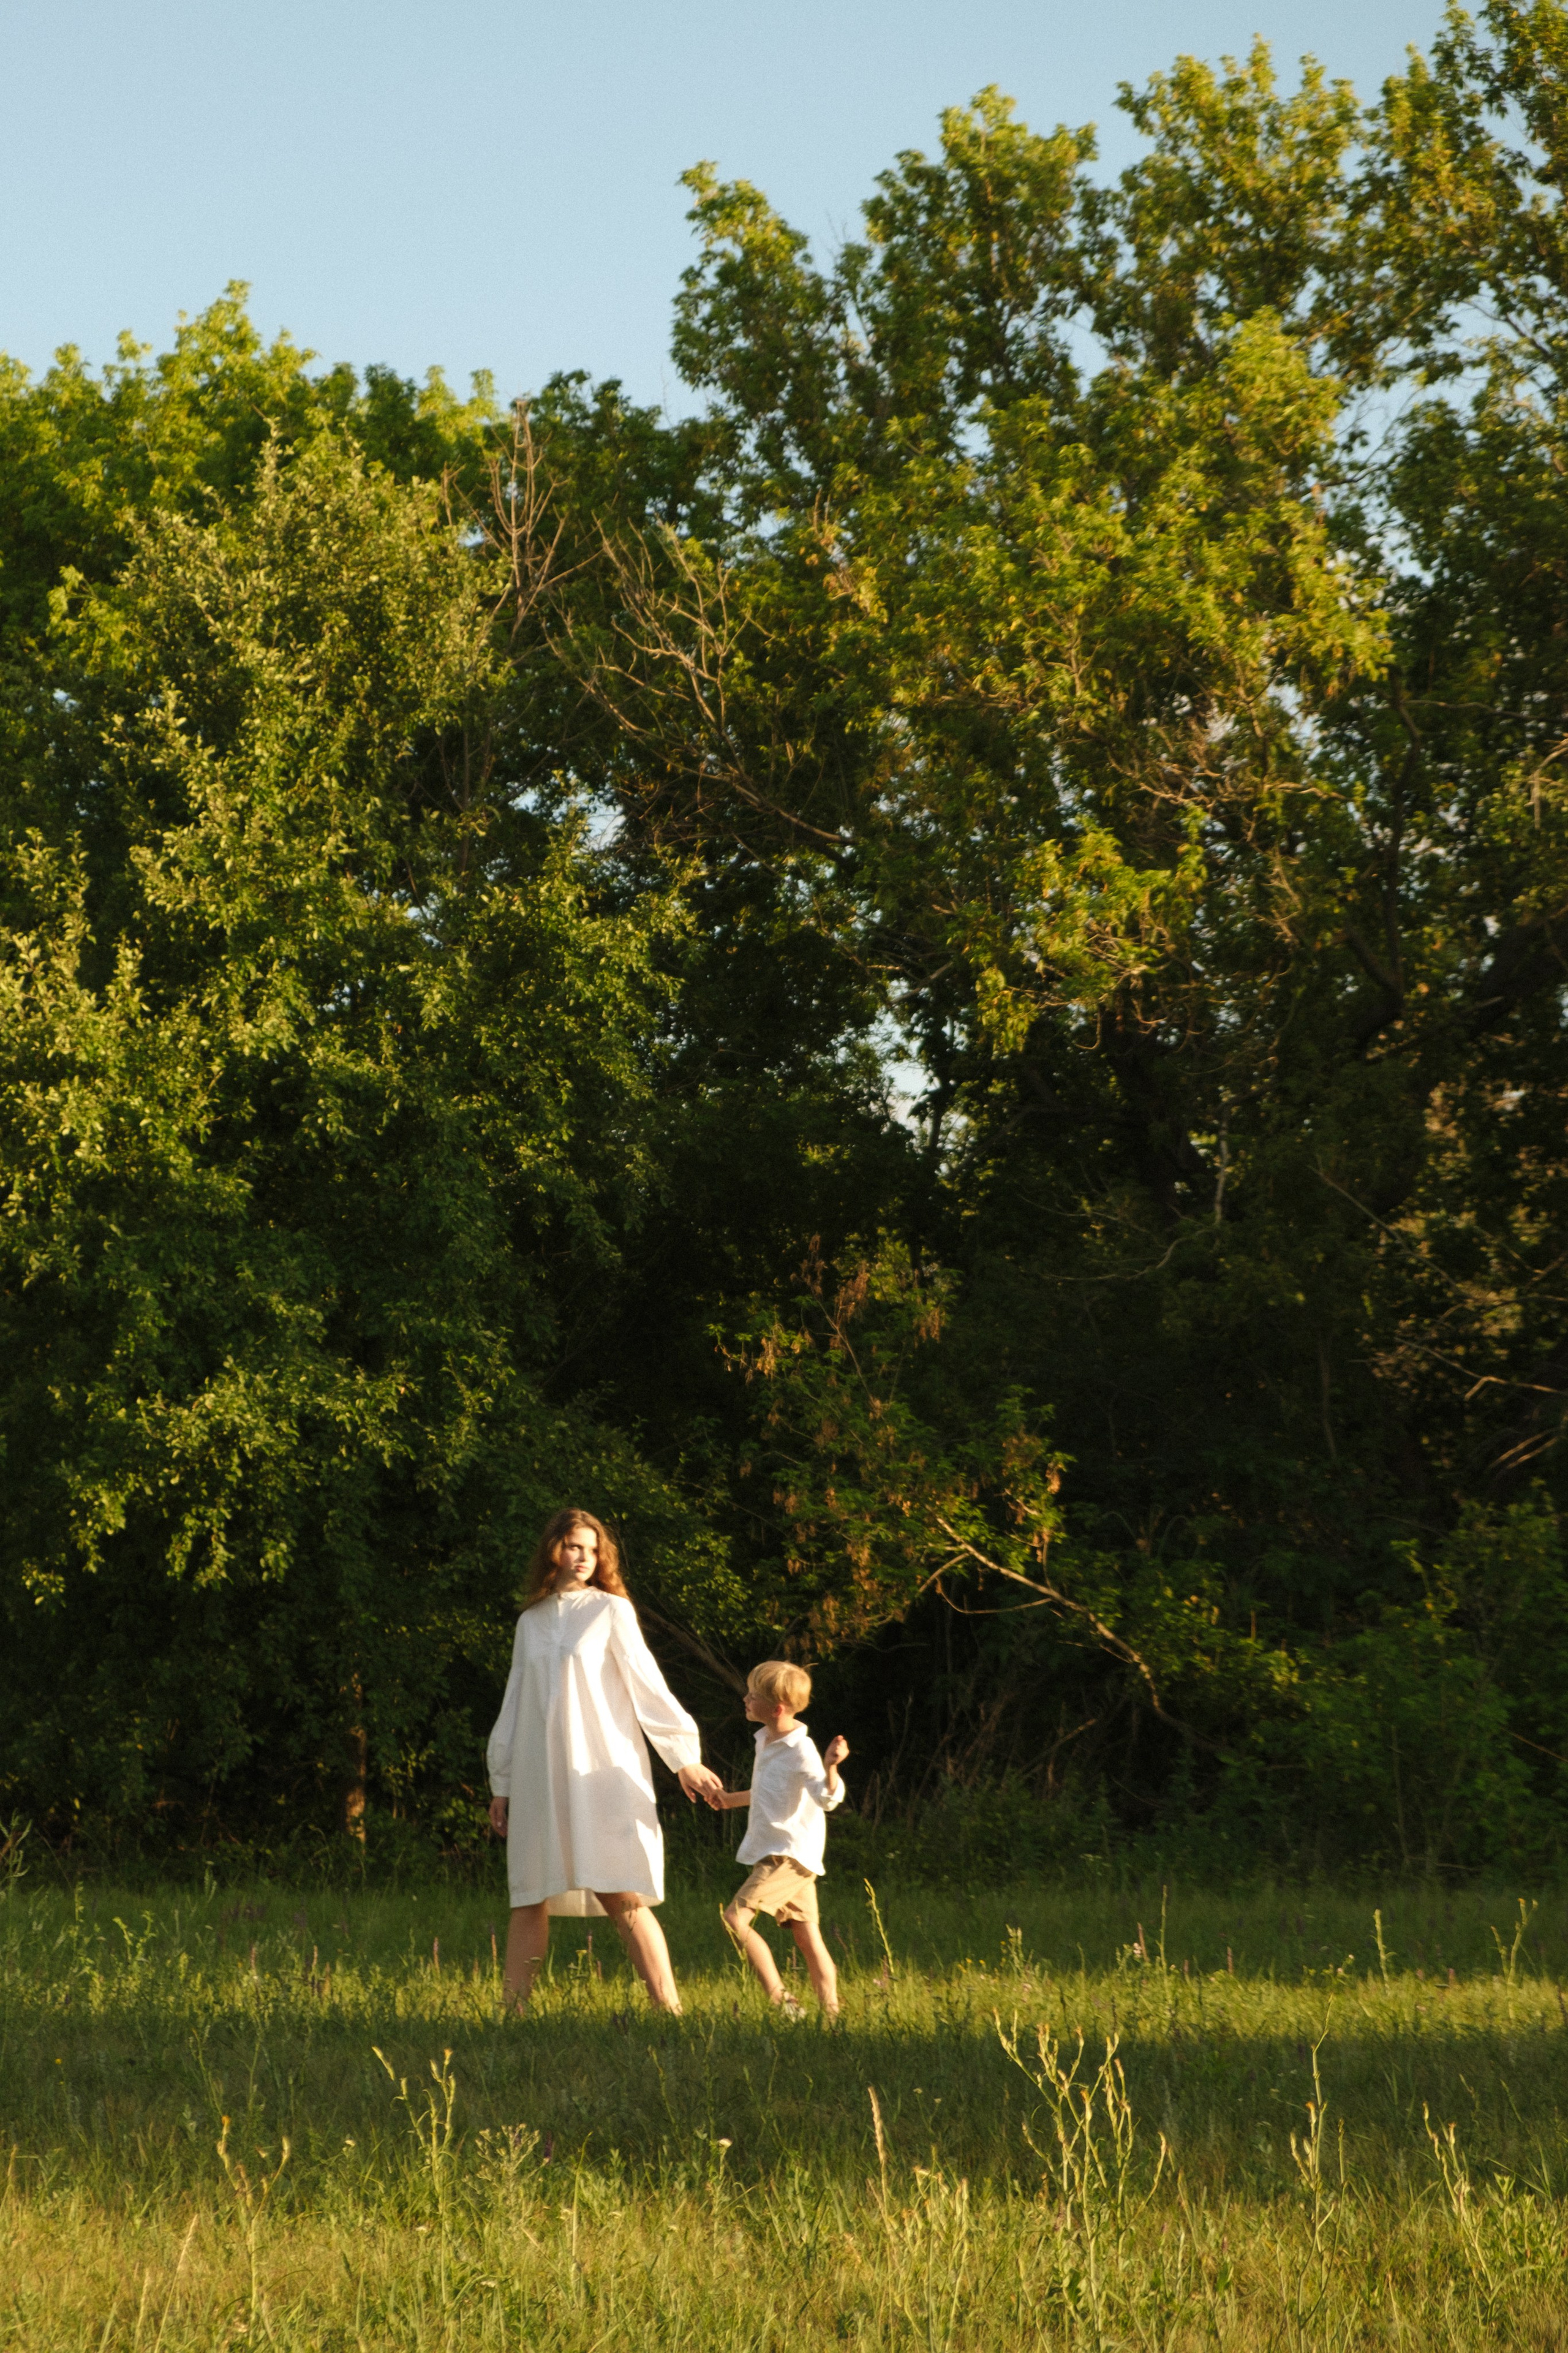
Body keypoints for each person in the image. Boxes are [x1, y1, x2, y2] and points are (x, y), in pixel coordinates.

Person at [486, 1507, 723, 2012]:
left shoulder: (611, 1611)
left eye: (592, 1550)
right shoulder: (529, 1622)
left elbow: (647, 1686)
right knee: (529, 1892)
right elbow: (514, 1702)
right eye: (574, 1546)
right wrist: (501, 1781)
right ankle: (512, 2016)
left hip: (598, 1770)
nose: (584, 1558)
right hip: (539, 1775)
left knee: (619, 1890)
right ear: (554, 1549)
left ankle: (669, 2010)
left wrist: (684, 1758)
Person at [715, 1660, 850, 2018]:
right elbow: (767, 1790)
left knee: (735, 1920)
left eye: (753, 1695)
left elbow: (826, 1798)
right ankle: (833, 2018)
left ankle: (783, 2004)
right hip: (785, 1855)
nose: (745, 1698)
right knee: (808, 1939)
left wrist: (832, 1766)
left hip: (786, 1857)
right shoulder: (766, 1741)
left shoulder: (801, 1751)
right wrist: (730, 1800)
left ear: (776, 1708)